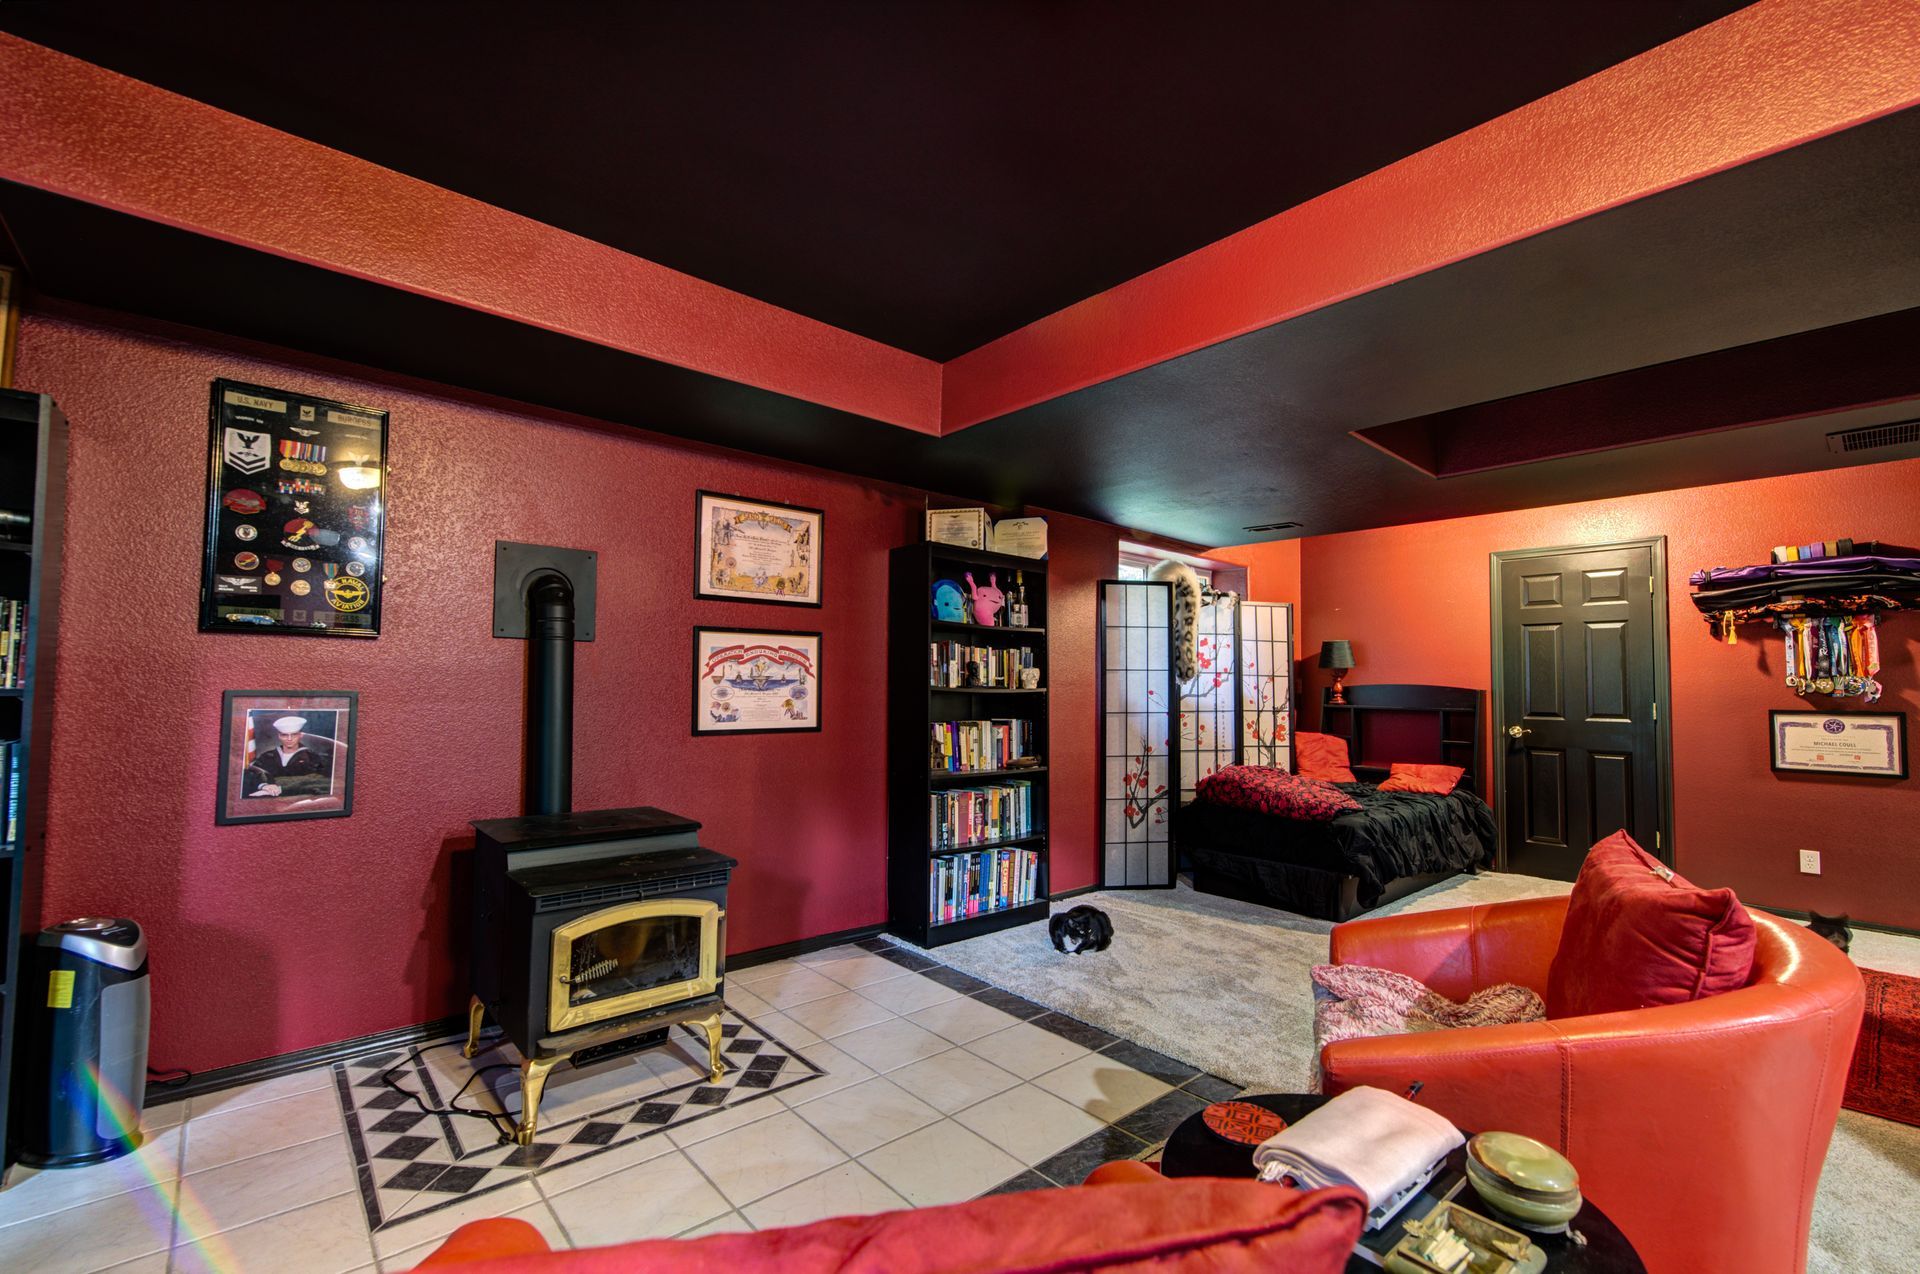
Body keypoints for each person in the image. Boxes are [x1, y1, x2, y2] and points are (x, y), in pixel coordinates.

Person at [245, 715, 328, 797]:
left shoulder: (313, 758)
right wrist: (263, 785)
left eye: (294, 734)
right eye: (284, 735)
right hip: (268, 799)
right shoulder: (267, 756)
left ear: (300, 735)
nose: (289, 739)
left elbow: (318, 781)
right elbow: (252, 774)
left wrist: (279, 788)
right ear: (279, 736)